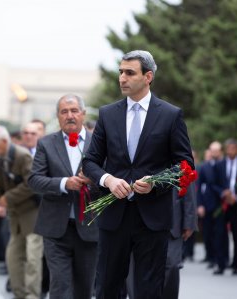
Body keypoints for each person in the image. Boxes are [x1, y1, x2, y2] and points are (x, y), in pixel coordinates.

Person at [82, 50, 194, 299]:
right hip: (114, 215)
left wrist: (155, 183)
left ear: (148, 76)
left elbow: (185, 166)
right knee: (107, 288)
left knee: (149, 290)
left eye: (129, 73)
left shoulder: (170, 115)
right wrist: (107, 180)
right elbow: (89, 162)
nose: (122, 78)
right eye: (120, 72)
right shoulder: (108, 114)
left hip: (153, 218)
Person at [28, 94, 98, 299]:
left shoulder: (99, 143)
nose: (70, 116)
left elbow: (110, 181)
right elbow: (34, 180)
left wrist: (94, 181)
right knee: (60, 285)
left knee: (85, 287)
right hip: (56, 228)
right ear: (58, 117)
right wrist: (63, 183)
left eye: (74, 110)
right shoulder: (46, 144)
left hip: (90, 226)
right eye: (64, 111)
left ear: (83, 114)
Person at [0, 125, 43, 299]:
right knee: (12, 258)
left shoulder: (22, 155)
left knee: (33, 259)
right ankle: (19, 294)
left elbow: (31, 184)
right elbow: (1, 188)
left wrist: (6, 198)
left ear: (3, 141)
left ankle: (32, 295)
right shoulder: (2, 160)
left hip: (32, 216)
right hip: (16, 218)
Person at [126, 183, 197, 299]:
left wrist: (190, 220)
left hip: (172, 219)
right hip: (137, 215)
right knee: (134, 268)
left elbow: (188, 182)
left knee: (172, 265)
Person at [212, 138, 237, 275]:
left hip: (236, 206)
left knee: (236, 235)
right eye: (228, 148)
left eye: (233, 148)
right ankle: (221, 264)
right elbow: (214, 184)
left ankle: (235, 264)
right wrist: (223, 193)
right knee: (220, 234)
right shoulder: (219, 165)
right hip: (222, 205)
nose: (230, 150)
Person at [196, 141, 223, 268]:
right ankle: (210, 257)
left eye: (216, 150)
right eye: (212, 150)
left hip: (221, 205)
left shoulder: (223, 165)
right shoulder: (204, 167)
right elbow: (199, 186)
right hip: (207, 204)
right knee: (207, 232)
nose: (214, 152)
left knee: (219, 234)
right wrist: (200, 205)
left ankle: (220, 258)